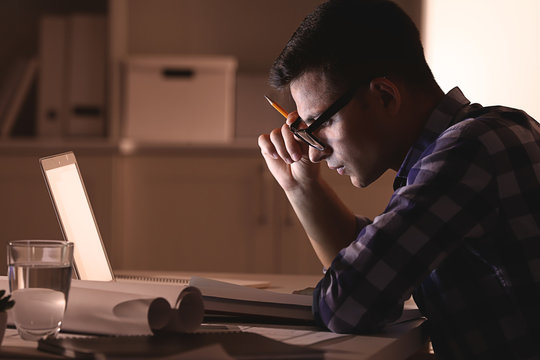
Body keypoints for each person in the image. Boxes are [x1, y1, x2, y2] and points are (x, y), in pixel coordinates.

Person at [257, 0, 540, 359]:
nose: (315, 150)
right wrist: (299, 185)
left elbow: (348, 305)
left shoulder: (467, 151)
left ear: (385, 96)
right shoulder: (494, 130)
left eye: (321, 124)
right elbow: (381, 258)